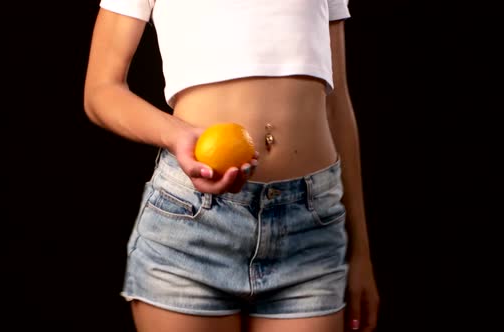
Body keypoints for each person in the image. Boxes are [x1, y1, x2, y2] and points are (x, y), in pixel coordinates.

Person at [83, 0, 379, 331]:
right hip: (194, 223)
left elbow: (337, 103)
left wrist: (360, 252)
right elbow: (101, 90)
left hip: (310, 228)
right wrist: (177, 135)